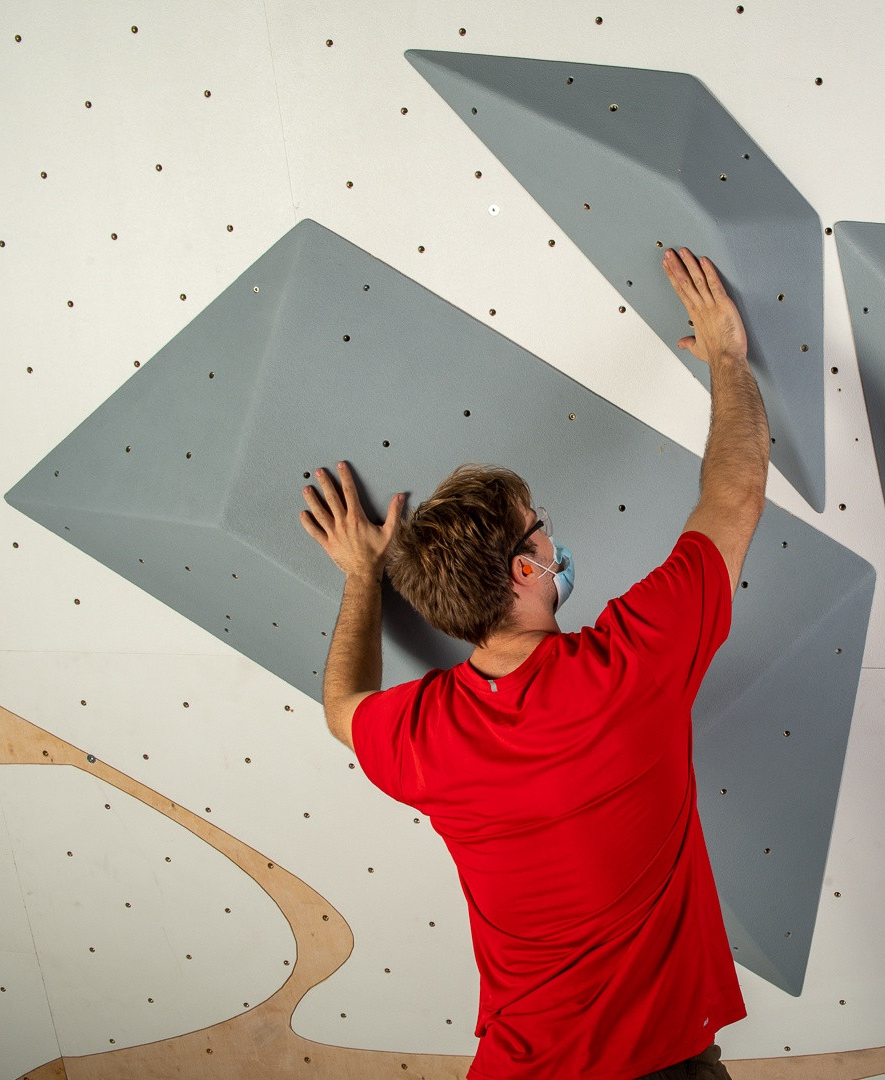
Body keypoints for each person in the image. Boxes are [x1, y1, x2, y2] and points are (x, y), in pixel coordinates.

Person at [298, 248, 769, 1080]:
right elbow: (731, 498)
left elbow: (342, 704)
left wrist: (361, 575)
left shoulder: (421, 736)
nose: (552, 535)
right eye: (539, 526)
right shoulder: (630, 665)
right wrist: (728, 358)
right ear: (526, 570)